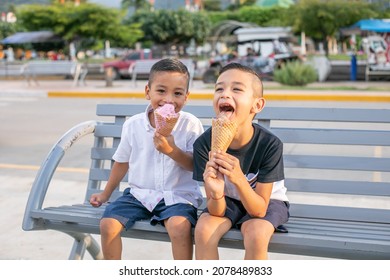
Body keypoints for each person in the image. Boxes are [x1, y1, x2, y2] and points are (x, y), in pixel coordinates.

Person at [89, 58, 204, 260]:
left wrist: (172, 150)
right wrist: (106, 194)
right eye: (161, 91)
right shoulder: (133, 125)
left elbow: (195, 166)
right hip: (139, 195)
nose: (169, 100)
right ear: (147, 91)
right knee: (108, 225)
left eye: (177, 93)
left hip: (178, 196)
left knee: (179, 227)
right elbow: (122, 161)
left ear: (186, 97)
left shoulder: (190, 124)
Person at [193, 62, 289, 260]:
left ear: (257, 105)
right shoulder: (204, 144)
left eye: (236, 89)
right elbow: (216, 211)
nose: (225, 94)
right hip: (227, 201)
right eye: (219, 88)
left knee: (256, 233)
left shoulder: (270, 145)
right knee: (203, 230)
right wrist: (217, 194)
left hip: (267, 202)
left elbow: (259, 209)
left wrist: (238, 178)